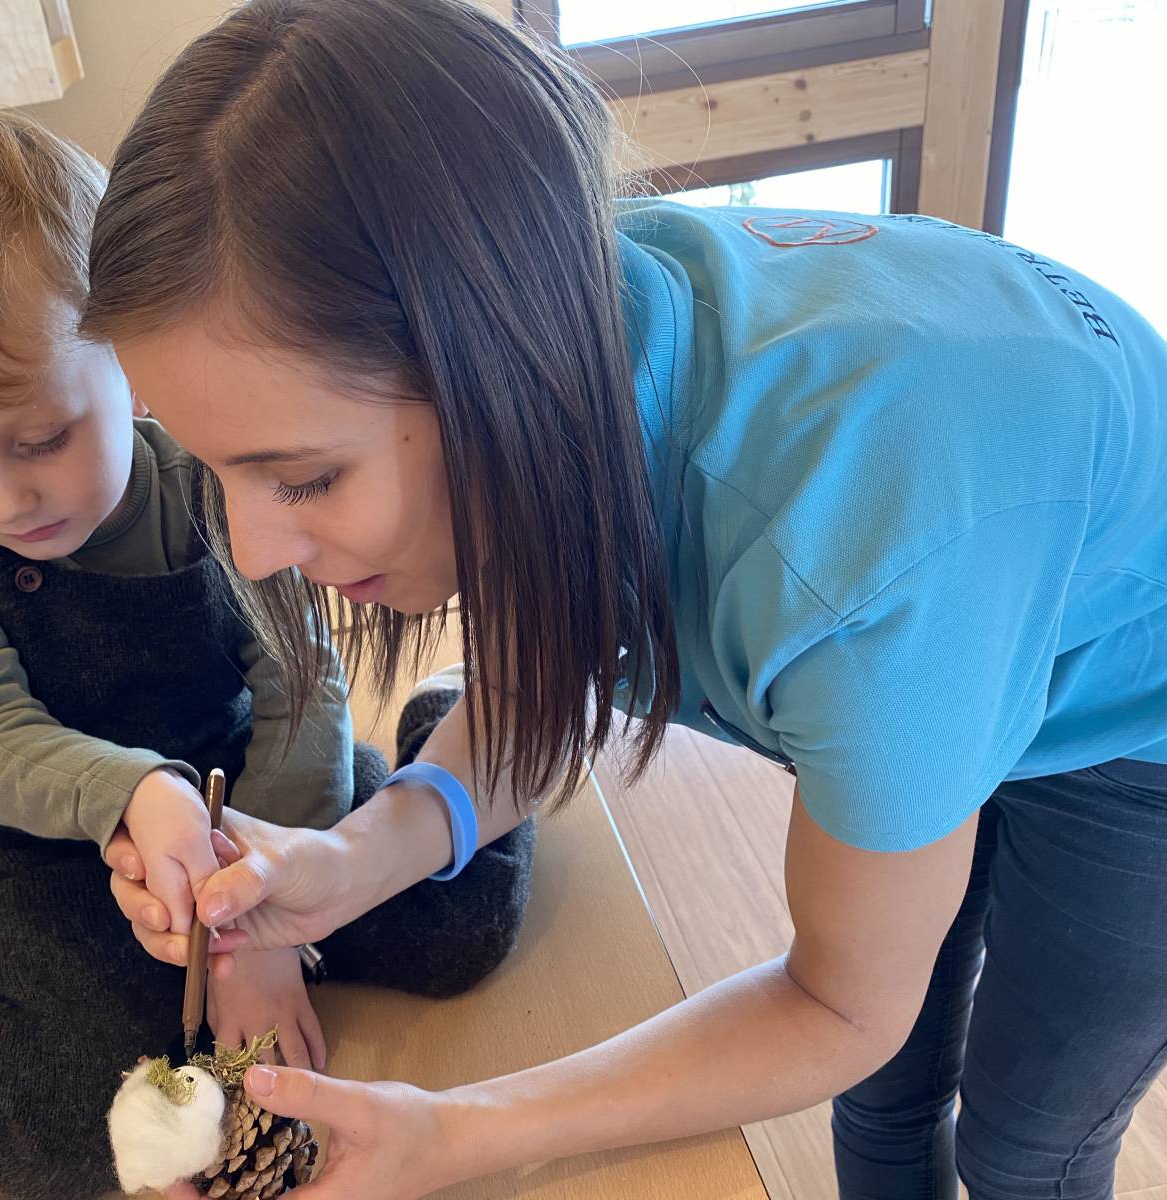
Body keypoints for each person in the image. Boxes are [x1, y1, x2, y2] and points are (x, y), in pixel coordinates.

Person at [82, 2, 1167, 1198]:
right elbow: (541, 680)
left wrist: (457, 1131)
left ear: (492, 368)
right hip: (974, 592)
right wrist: (351, 860)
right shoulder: (570, 325)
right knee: (889, 1087)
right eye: (211, 467)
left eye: (303, 478)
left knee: (1027, 1146)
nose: (252, 550)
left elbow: (835, 1006)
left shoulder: (851, 576)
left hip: (1134, 712)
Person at [0, 111, 533, 1200]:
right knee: (56, 1121)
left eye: (41, 440)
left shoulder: (207, 472)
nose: (2, 497)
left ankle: (442, 734)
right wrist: (134, 796)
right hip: (55, 840)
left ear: (135, 364)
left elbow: (300, 690)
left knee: (461, 928)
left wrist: (255, 924)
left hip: (256, 792)